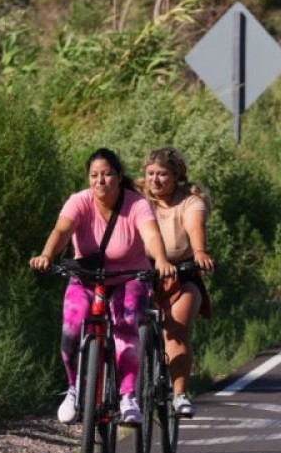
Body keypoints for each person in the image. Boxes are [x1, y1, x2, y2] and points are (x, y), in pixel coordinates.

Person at [30, 148, 175, 425]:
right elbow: (62, 230)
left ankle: (128, 397)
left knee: (126, 328)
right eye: (94, 175)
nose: (100, 181)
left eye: (107, 174)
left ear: (119, 176)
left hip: (128, 278)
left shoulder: (136, 205)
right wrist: (47, 255)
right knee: (71, 331)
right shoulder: (79, 201)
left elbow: (151, 234)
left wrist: (162, 260)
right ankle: (74, 390)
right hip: (86, 278)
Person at [141, 146, 216, 418]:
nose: (155, 180)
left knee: (176, 327)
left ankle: (180, 394)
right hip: (142, 274)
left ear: (177, 176)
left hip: (182, 275)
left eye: (162, 174)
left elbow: (196, 226)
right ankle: (124, 390)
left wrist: (200, 252)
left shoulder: (190, 201)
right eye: (150, 173)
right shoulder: (137, 199)